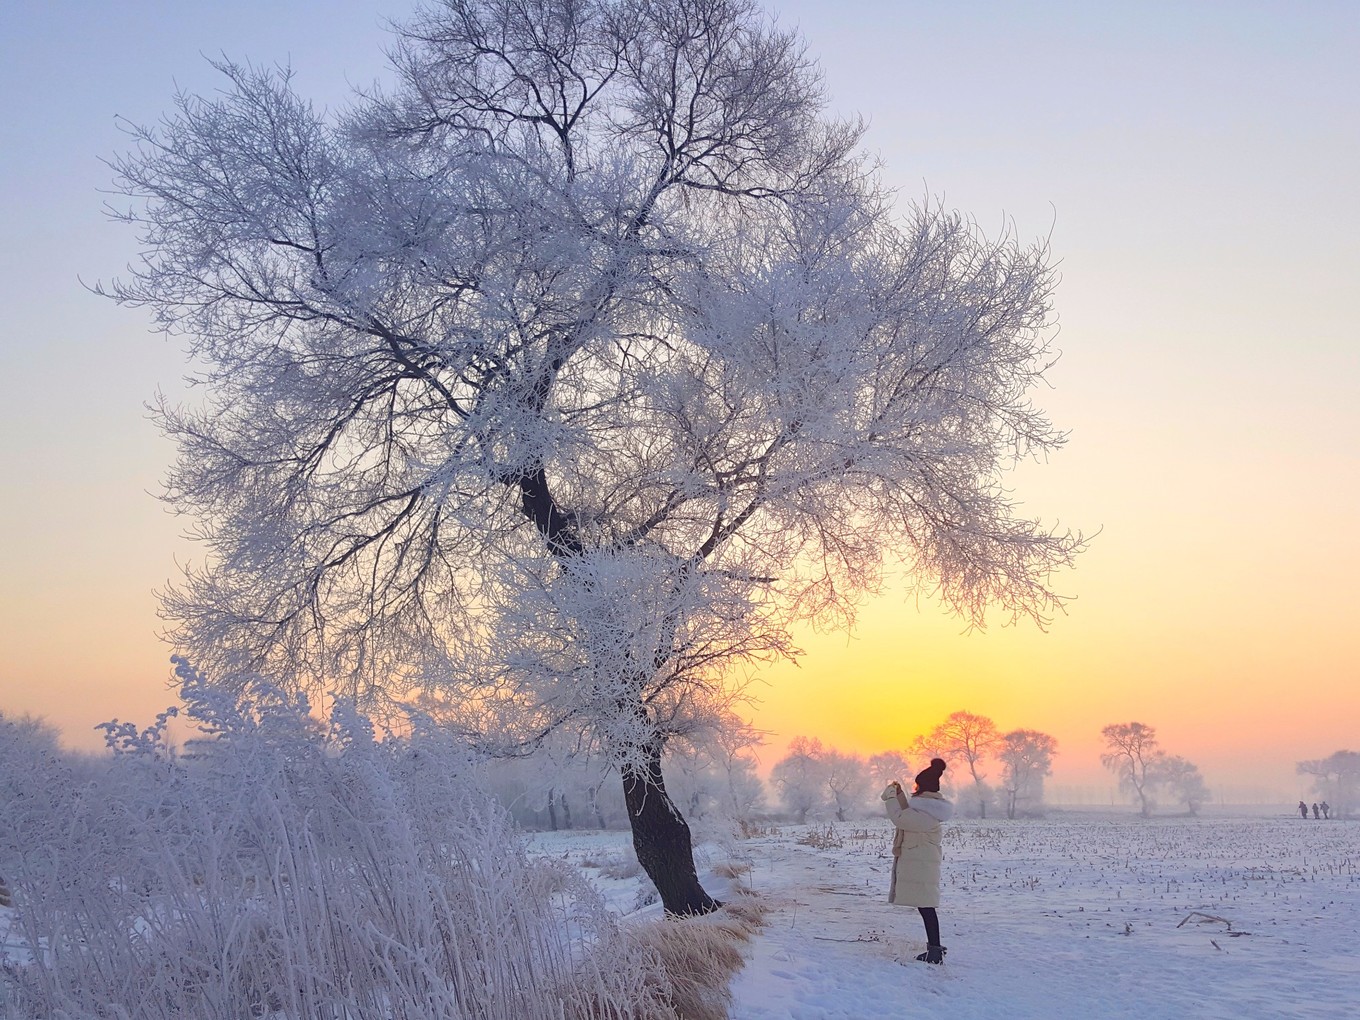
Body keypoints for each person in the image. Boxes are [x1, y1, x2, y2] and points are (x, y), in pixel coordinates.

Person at [882, 757, 954, 964]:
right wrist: (899, 795)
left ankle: (935, 951)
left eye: (916, 785)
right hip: (922, 862)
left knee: (927, 907)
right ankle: (935, 947)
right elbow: (908, 814)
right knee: (926, 907)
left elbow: (901, 818)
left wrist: (889, 798)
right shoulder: (928, 808)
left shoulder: (926, 813)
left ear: (922, 788)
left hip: (922, 864)